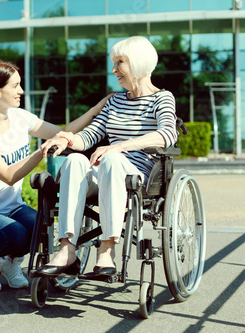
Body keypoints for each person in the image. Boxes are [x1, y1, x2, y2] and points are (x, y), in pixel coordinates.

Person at [0, 59, 112, 291]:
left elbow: (64, 132)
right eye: (15, 86)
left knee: (42, 229)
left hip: (12, 207)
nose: (21, 91)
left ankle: (9, 264)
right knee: (16, 235)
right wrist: (42, 151)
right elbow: (8, 175)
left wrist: (95, 110)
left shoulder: (20, 118)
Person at [37, 36, 178, 278]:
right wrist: (66, 139)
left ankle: (107, 249)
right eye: (113, 63)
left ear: (138, 62)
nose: (114, 70)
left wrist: (119, 147)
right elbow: (90, 136)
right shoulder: (114, 101)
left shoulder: (161, 98)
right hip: (105, 172)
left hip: (137, 177)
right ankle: (67, 249)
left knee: (111, 159)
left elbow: (167, 133)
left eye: (119, 63)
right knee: (74, 160)